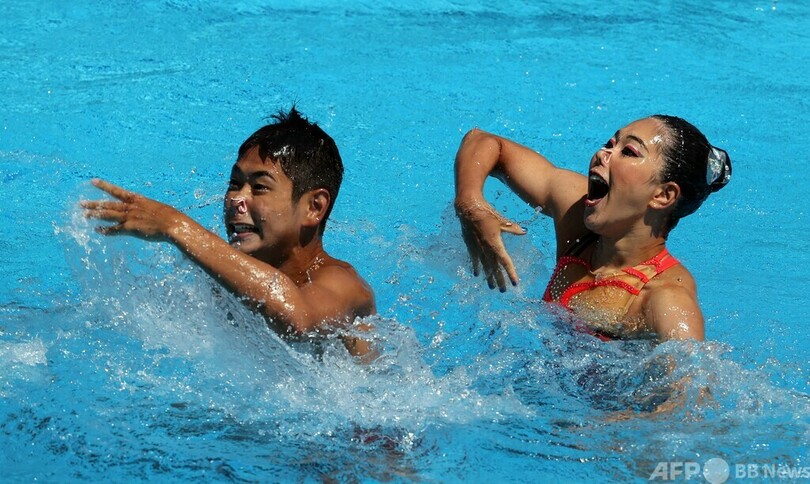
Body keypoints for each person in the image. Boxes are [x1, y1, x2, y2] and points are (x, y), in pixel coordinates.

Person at [82, 108, 376, 357]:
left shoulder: (343, 284)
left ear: (314, 207)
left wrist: (174, 225)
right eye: (235, 184)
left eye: (259, 187)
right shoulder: (229, 280)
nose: (236, 199)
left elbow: (298, 320)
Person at [454, 115, 731, 341]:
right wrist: (471, 203)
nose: (602, 153)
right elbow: (482, 140)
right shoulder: (577, 222)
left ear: (662, 195)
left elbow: (692, 385)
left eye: (628, 152)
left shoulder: (665, 299)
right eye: (610, 143)